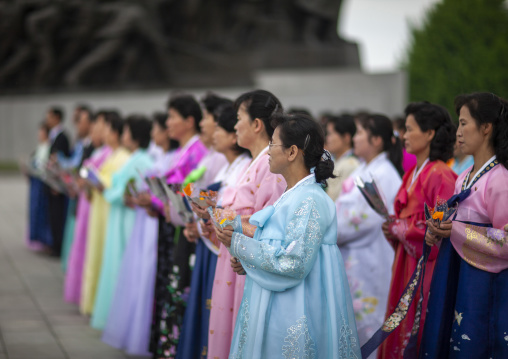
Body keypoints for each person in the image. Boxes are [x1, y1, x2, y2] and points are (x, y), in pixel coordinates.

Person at [215, 113, 361, 358]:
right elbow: (276, 247)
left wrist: (239, 244)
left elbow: (292, 263)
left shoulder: (311, 199)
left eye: (272, 143)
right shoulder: (293, 194)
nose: (268, 151)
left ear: (292, 152)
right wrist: (248, 262)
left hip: (296, 306)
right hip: (282, 301)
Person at [420, 92, 508, 358]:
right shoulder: (463, 179)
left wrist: (457, 231)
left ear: (486, 128)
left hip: (484, 286)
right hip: (456, 276)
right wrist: (438, 231)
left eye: (464, 123)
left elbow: (505, 242)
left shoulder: (500, 180)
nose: (458, 132)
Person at [205, 90, 287, 359]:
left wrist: (228, 223)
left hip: (246, 263)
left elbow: (271, 223)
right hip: (236, 257)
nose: (235, 124)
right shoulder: (253, 162)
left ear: (256, 124)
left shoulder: (269, 163)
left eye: (239, 118)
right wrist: (215, 221)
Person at [378, 102, 457, 358]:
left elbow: (441, 225)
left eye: (410, 129)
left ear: (430, 133)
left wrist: (401, 227)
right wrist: (395, 228)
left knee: (419, 324)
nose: (404, 135)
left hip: (425, 266)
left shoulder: (441, 174)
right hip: (407, 260)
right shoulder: (412, 172)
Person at [176, 103, 251, 359]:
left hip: (228, 250)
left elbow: (238, 213)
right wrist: (199, 221)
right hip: (213, 243)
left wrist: (207, 217)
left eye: (219, 127)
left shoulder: (245, 167)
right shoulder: (225, 167)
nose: (213, 133)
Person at [102, 113, 178, 355]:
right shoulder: (155, 156)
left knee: (146, 272)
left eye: (162, 126)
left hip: (153, 221)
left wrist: (148, 200)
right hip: (145, 217)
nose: (158, 131)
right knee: (138, 272)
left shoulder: (153, 158)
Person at [335, 114, 401, 352]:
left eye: (360, 133)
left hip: (370, 257)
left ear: (376, 140)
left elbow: (360, 219)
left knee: (368, 319)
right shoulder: (366, 168)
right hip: (355, 255)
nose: (355, 138)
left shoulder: (384, 173)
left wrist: (327, 226)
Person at [149, 94, 208, 358]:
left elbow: (192, 192)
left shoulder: (198, 152)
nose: (168, 122)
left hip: (191, 231)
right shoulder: (183, 150)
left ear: (190, 120)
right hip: (176, 226)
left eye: (173, 117)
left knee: (181, 290)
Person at [91, 115, 154, 330]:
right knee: (117, 262)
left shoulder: (141, 160)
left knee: (123, 262)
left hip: (130, 217)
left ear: (135, 136)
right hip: (123, 214)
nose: (123, 136)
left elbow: (131, 190)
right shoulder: (134, 157)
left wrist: (107, 191)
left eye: (127, 132)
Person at [80, 112, 130, 315]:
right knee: (97, 251)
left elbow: (118, 183)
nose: (104, 133)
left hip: (110, 209)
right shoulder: (110, 153)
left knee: (106, 254)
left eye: (108, 129)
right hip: (100, 207)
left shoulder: (123, 157)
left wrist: (101, 182)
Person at [45, 106, 71, 257]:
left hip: (58, 185)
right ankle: (54, 244)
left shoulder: (63, 136)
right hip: (52, 181)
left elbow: (62, 160)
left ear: (56, 118)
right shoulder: (54, 134)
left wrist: (58, 184)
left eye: (49, 117)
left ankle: (58, 247)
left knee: (58, 216)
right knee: (52, 215)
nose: (47, 120)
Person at [26, 122, 53, 250]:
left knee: (42, 211)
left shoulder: (48, 146)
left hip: (42, 182)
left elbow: (45, 165)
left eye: (41, 132)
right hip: (36, 181)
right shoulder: (40, 146)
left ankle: (43, 239)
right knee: (34, 210)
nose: (39, 134)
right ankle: (35, 238)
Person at [325, 114, 360, 201]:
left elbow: (333, 199)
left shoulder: (350, 165)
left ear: (346, 138)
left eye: (330, 134)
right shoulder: (339, 161)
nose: (327, 138)